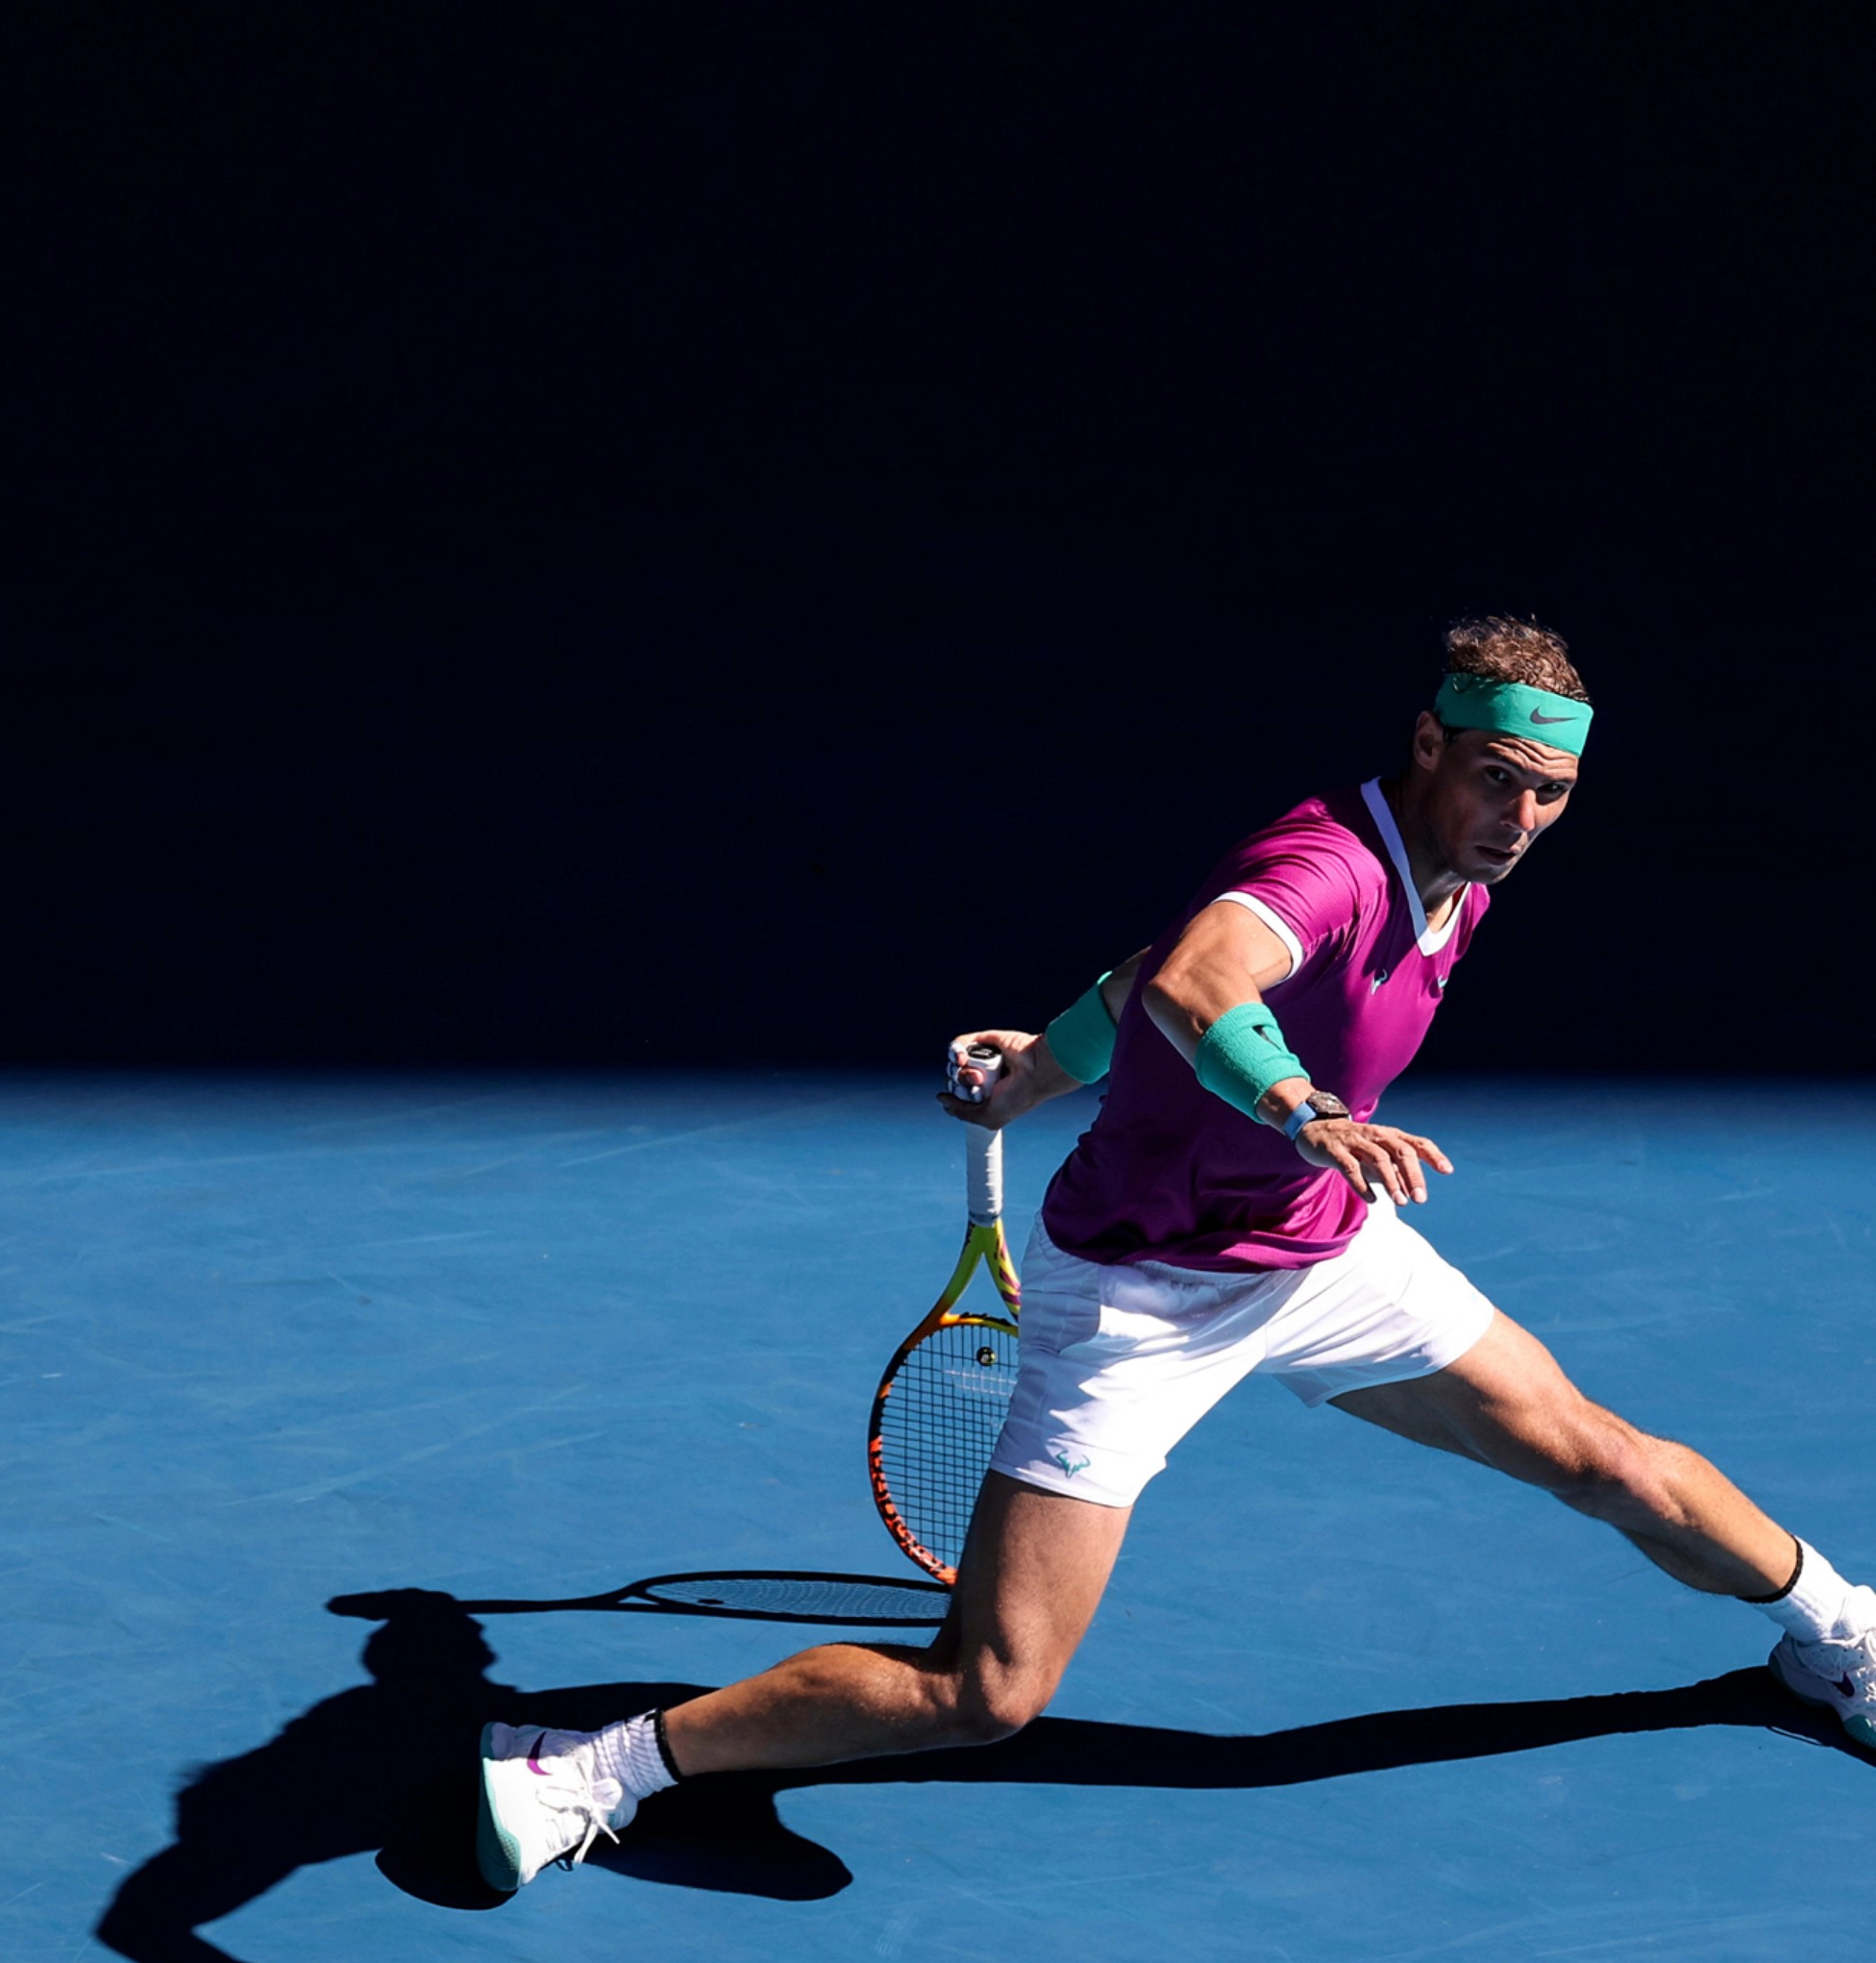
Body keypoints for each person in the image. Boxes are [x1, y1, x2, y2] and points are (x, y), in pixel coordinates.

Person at [476, 615, 1876, 1894]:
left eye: (1549, 792)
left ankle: (1837, 1635)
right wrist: (1308, 1109)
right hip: (1138, 1296)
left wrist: (1039, 1070)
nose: (1519, 819)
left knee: (1605, 1458)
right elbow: (1203, 974)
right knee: (986, 1691)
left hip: (1322, 1253)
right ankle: (586, 1770)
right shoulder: (1328, 865)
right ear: (1427, 742)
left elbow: (1144, 973)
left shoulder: (1461, 877)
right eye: (1495, 778)